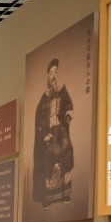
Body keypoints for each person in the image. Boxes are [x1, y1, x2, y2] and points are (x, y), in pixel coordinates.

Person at [32, 57, 74, 208]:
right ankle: (48, 196)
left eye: (55, 72)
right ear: (48, 76)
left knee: (66, 149)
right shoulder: (45, 96)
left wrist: (67, 113)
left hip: (60, 130)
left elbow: (68, 103)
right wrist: (45, 133)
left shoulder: (62, 90)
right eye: (51, 73)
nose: (54, 75)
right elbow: (39, 116)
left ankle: (65, 192)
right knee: (49, 154)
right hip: (49, 132)